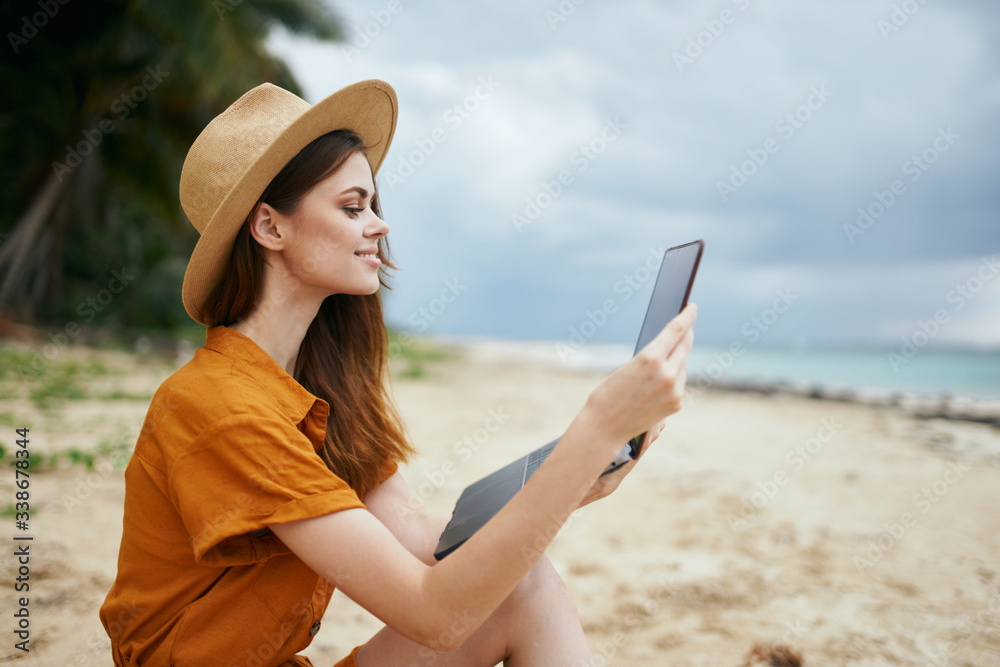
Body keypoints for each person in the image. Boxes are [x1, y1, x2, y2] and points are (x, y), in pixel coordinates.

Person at [99, 79, 697, 667]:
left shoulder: (310, 388)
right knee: (513, 589)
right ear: (270, 228)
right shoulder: (219, 407)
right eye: (353, 207)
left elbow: (417, 536)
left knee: (523, 589)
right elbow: (435, 615)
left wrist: (577, 476)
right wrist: (594, 429)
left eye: (373, 206)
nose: (379, 225)